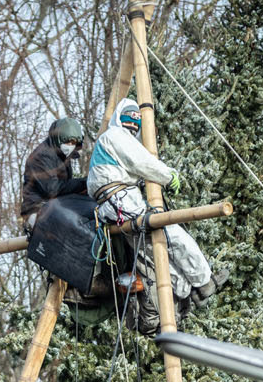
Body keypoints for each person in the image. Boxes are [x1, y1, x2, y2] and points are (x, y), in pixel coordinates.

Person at [86, 99, 216, 307]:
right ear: (120, 120)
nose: (132, 126)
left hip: (111, 205)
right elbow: (142, 163)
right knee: (171, 234)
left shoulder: (108, 141)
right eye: (128, 121)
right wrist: (168, 176)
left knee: (151, 249)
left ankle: (186, 289)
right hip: (121, 199)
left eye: (135, 123)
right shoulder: (115, 136)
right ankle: (204, 281)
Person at [19, 117, 87, 232]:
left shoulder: (62, 156)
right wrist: (83, 183)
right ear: (58, 139)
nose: (70, 145)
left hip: (56, 205)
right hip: (37, 208)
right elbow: (52, 189)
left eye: (73, 143)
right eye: (68, 142)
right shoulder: (41, 156)